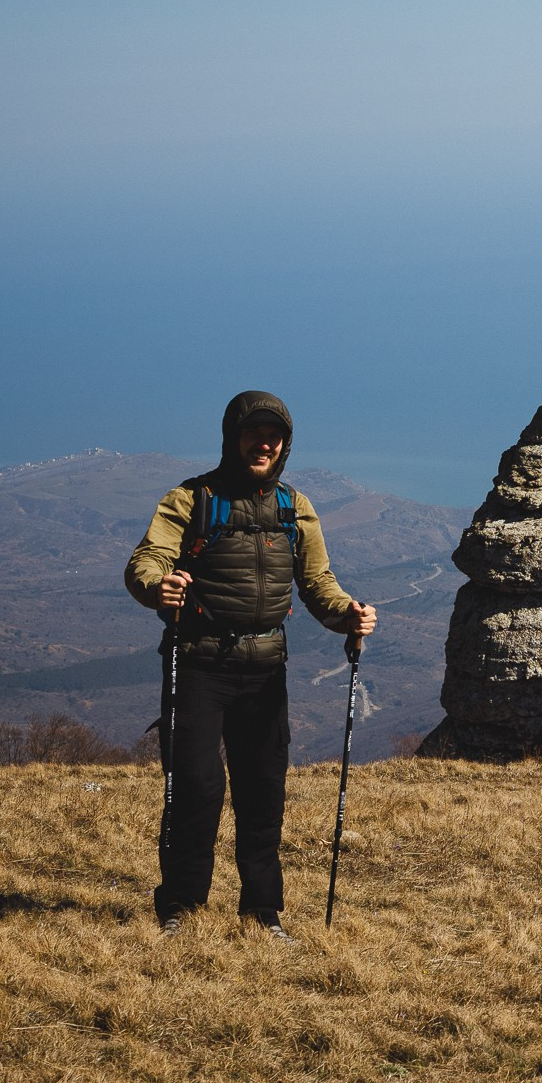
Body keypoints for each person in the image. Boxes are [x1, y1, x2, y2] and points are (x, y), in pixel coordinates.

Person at [125, 391, 375, 939]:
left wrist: (349, 615)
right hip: (198, 665)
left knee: (263, 793)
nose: (263, 442)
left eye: (273, 435)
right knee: (196, 788)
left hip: (265, 671)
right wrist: (155, 587)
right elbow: (146, 560)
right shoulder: (190, 500)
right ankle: (181, 908)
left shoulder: (295, 508)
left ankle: (263, 915)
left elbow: (318, 586)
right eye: (252, 432)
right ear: (232, 436)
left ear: (284, 445)